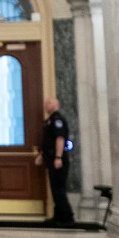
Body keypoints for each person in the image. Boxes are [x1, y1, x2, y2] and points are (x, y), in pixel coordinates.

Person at [35, 96, 75, 225]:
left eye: (47, 103)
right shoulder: (50, 121)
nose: (45, 106)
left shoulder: (58, 120)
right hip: (51, 158)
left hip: (57, 160)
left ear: (54, 105)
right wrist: (42, 155)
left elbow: (60, 139)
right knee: (55, 189)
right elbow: (49, 141)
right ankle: (58, 216)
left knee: (58, 189)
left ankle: (68, 218)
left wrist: (58, 157)